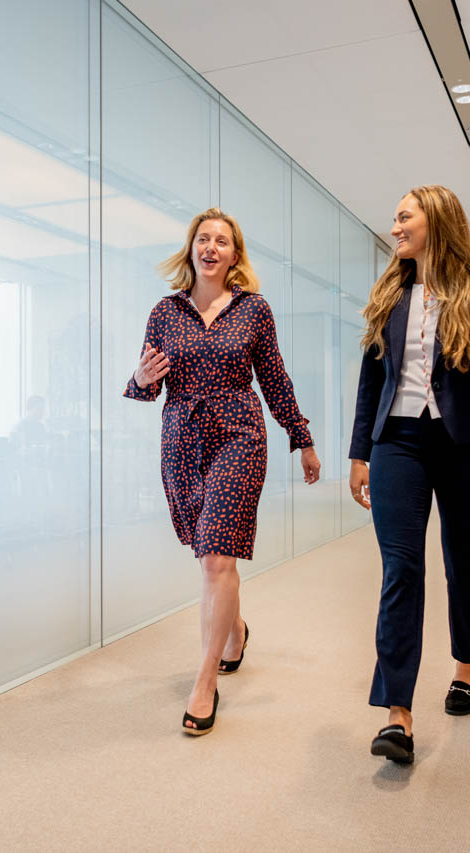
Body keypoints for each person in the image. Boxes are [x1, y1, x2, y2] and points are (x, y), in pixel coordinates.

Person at [348, 185, 470, 764]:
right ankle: (397, 715)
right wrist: (360, 451)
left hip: (464, 443)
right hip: (397, 444)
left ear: (437, 221)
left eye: (404, 215)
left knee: (462, 559)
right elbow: (372, 379)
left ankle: (466, 669)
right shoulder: (391, 292)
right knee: (401, 568)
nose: (395, 224)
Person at [125, 208, 321, 736]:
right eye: (203, 239)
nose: (212, 247)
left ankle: (205, 681)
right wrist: (140, 378)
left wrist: (301, 438)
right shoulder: (165, 312)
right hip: (183, 441)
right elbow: (146, 388)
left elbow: (275, 379)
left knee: (216, 558)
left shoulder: (254, 310)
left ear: (236, 255)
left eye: (223, 241)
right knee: (210, 553)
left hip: (239, 435)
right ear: (191, 249)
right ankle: (233, 629)